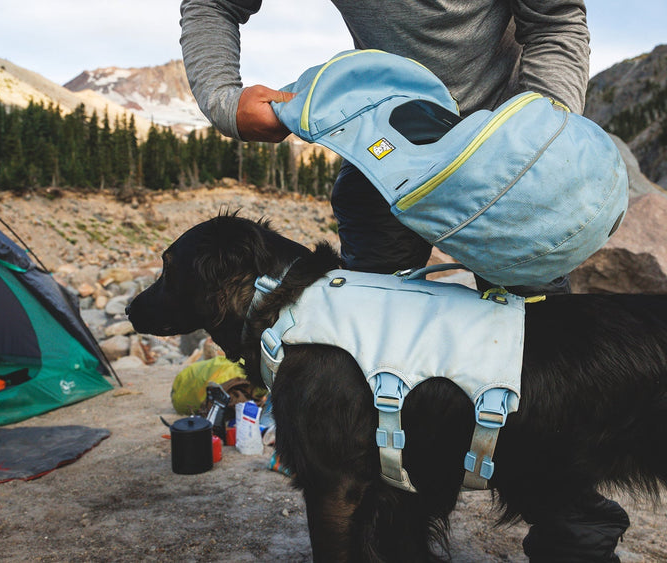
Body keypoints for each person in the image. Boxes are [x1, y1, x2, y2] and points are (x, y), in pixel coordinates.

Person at [180, 1, 629, 560]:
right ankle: (394, 537)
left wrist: (535, 141)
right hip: (383, 154)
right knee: (371, 378)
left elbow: (556, 19)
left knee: (541, 377)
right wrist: (227, 101)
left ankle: (576, 541)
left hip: (511, 158)